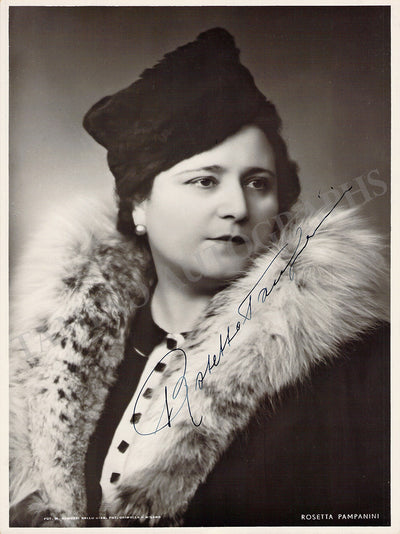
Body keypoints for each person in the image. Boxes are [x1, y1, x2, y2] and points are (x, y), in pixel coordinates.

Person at [9, 28, 389, 527]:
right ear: (139, 204)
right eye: (205, 181)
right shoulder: (45, 365)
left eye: (258, 183)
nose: (238, 208)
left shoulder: (364, 365)